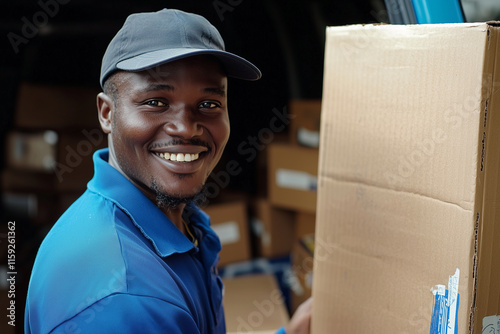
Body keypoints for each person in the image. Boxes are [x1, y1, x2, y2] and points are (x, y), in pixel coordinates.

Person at [24, 8, 312, 334]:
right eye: (156, 102)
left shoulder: (175, 226)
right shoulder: (125, 298)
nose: (186, 128)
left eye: (209, 104)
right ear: (107, 113)